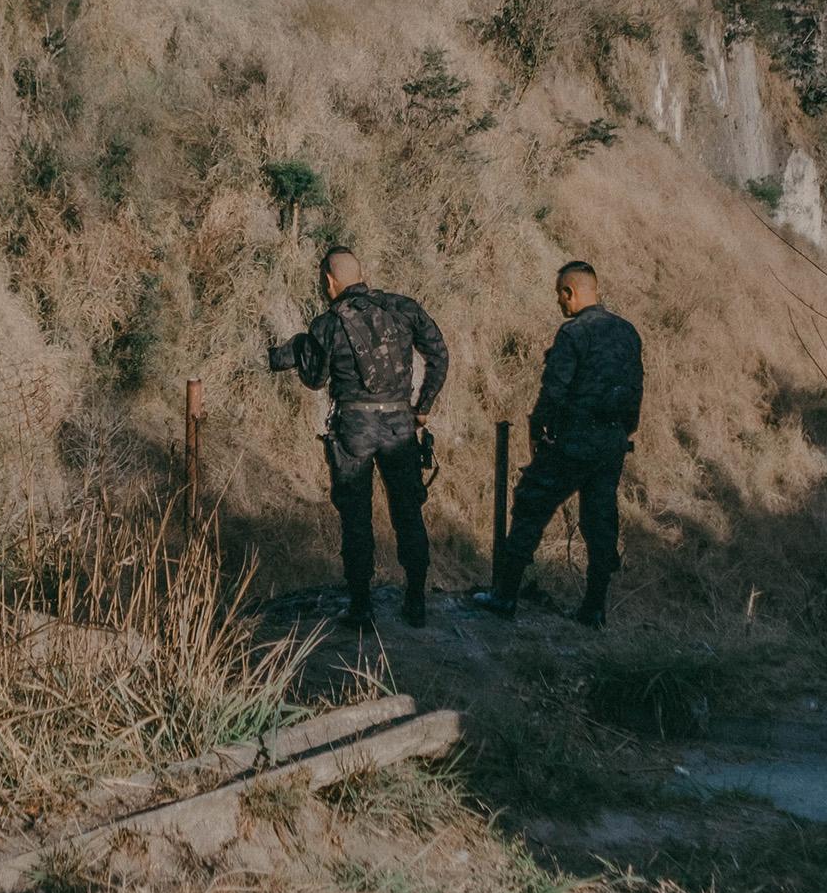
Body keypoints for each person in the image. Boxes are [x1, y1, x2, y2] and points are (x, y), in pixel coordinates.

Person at [270, 247, 449, 629]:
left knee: (356, 517)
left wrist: (301, 350)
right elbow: (439, 352)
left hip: (353, 427)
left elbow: (315, 379)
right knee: (408, 512)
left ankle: (362, 608)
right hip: (400, 423)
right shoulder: (402, 308)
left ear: (329, 281)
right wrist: (423, 405)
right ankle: (416, 600)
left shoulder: (328, 324)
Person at [470, 261, 642, 628]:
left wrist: (539, 429)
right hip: (612, 440)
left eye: (560, 295)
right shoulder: (628, 332)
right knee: (600, 521)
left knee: (531, 504)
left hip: (576, 438)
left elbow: (554, 391)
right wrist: (621, 433)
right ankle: (594, 610)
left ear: (571, 292)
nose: (559, 303)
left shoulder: (574, 333)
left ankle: (504, 596)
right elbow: (635, 390)